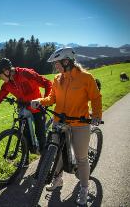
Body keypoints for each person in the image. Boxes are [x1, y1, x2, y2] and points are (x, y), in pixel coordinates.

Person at [31, 47, 102, 206]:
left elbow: (96, 98)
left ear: (66, 61)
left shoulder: (86, 78)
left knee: (81, 158)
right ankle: (58, 179)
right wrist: (40, 101)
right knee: (56, 153)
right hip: (59, 121)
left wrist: (96, 115)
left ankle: (84, 188)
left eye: (57, 63)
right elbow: (52, 98)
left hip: (80, 122)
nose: (55, 67)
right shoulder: (57, 79)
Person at [0, 58, 52, 159]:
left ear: (6, 71)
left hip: (37, 108)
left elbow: (47, 83)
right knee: (24, 136)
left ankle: (45, 162)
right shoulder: (7, 85)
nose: (0, 79)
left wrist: (45, 102)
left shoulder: (26, 73)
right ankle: (24, 161)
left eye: (0, 76)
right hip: (24, 109)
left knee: (40, 135)